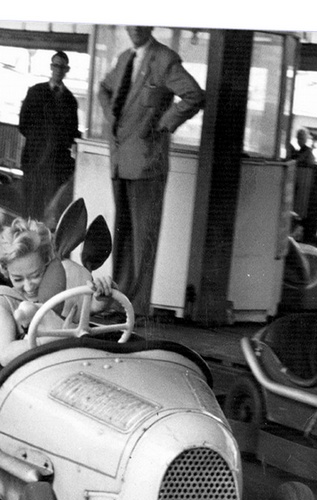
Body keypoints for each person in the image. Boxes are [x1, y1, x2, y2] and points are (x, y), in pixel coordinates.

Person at [97, 26, 204, 316]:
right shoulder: (123, 59)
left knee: (143, 238)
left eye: (139, 23)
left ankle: (139, 307)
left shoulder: (164, 59)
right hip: (120, 160)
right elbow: (104, 89)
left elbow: (195, 95)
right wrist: (110, 115)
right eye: (129, 23)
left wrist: (162, 125)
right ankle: (118, 300)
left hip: (147, 162)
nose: (133, 29)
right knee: (122, 234)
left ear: (151, 25)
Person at [0, 218, 114, 366]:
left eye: (35, 275)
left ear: (47, 262)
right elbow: (5, 354)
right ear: (5, 270)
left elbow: (91, 308)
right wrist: (60, 336)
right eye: (18, 279)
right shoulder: (3, 299)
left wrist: (103, 295)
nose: (29, 287)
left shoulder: (62, 287)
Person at [18, 51, 80, 220]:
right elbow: (23, 124)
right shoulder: (35, 92)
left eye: (62, 66)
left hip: (56, 166)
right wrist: (42, 140)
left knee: (48, 213)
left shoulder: (70, 100)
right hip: (34, 161)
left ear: (67, 70)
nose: (58, 70)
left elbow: (72, 132)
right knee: (29, 210)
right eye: (55, 65)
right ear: (51, 67)